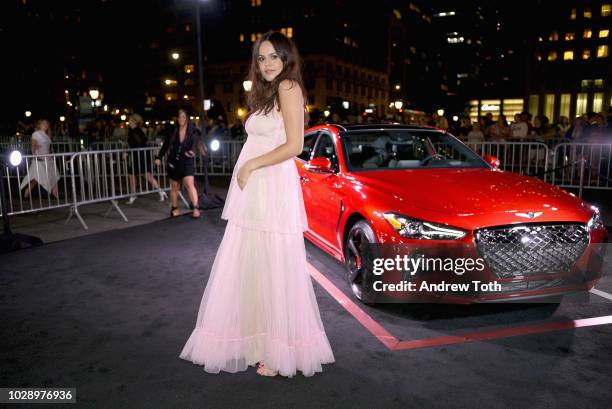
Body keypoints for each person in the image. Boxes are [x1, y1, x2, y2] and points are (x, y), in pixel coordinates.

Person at [179, 30, 335, 378]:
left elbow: (295, 145)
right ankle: (255, 342)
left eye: (274, 57)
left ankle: (279, 352)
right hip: (256, 191)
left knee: (272, 266)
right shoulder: (266, 93)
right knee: (252, 267)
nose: (267, 64)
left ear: (287, 58)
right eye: (261, 58)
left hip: (272, 187)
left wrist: (249, 164)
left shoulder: (289, 87)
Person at [155, 109, 205, 218]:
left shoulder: (192, 131)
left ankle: (196, 208)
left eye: (183, 116)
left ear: (187, 118)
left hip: (187, 161)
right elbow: (166, 145)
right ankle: (174, 207)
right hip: (174, 161)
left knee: (189, 183)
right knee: (175, 186)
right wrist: (159, 157)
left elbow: (196, 144)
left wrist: (193, 151)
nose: (181, 119)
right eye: (179, 117)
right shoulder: (173, 130)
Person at [125, 113, 167, 204]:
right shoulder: (134, 130)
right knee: (145, 175)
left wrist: (128, 152)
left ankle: (133, 194)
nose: (128, 121)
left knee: (133, 174)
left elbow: (138, 144)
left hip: (139, 156)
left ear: (134, 121)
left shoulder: (135, 131)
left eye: (130, 120)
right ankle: (161, 191)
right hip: (140, 155)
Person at [20, 119, 60, 199]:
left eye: (47, 124)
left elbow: (48, 147)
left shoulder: (47, 134)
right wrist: (34, 156)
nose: (46, 125)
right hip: (39, 158)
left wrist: (51, 155)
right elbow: (33, 146)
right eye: (44, 124)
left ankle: (55, 192)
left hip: (48, 158)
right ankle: (28, 190)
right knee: (36, 177)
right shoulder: (35, 134)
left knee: (53, 174)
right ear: (39, 125)